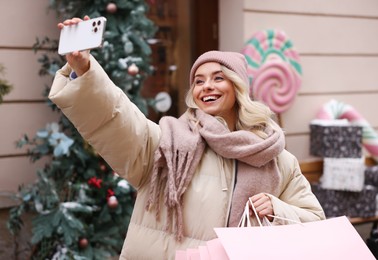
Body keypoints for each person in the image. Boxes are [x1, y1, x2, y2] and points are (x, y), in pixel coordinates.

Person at [50, 16, 325, 260]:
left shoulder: (278, 159)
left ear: (238, 86)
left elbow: (315, 223)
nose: (207, 87)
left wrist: (277, 209)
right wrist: (84, 70)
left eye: (218, 78)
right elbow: (116, 117)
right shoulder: (167, 145)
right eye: (199, 80)